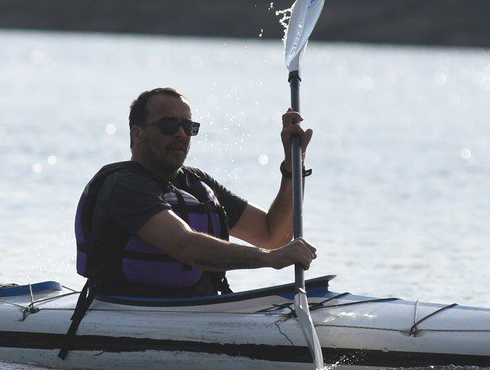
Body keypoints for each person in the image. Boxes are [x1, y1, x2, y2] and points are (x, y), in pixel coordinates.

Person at [74, 86, 316, 297]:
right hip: (129, 311)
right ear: (137, 133)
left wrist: (294, 164)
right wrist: (268, 259)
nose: (181, 134)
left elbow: (273, 235)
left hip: (197, 309)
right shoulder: (125, 186)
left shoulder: (198, 184)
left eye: (188, 126)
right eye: (169, 125)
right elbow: (185, 246)